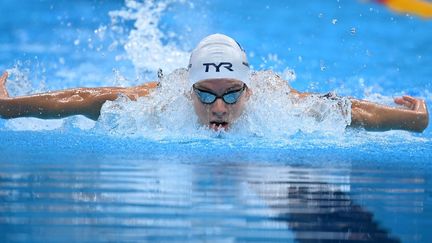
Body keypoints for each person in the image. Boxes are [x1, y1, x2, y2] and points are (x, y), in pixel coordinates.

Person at [0, 34, 429, 132]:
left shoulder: (275, 100)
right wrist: (8, 106)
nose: (218, 108)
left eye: (230, 95)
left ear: (249, 89)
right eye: (204, 94)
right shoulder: (158, 102)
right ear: (188, 89)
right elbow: (80, 98)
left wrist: (413, 121)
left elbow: (347, 110)